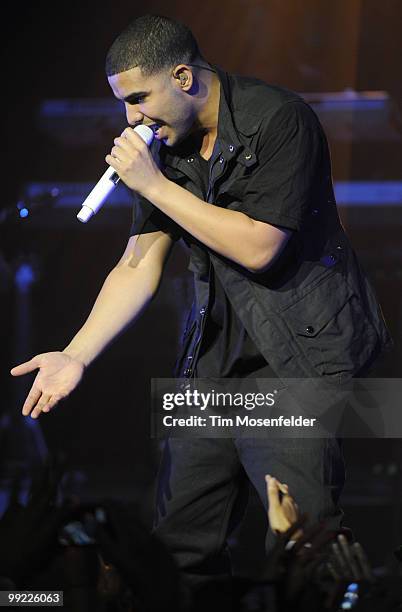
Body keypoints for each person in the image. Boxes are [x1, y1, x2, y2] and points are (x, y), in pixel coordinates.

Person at [11, 13, 391, 608]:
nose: (132, 118)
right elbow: (138, 264)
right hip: (210, 361)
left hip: (293, 361)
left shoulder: (279, 120)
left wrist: (154, 185)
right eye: (123, 103)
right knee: (175, 547)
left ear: (183, 77)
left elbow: (260, 247)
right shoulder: (168, 146)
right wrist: (75, 353)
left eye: (139, 98)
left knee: (298, 546)